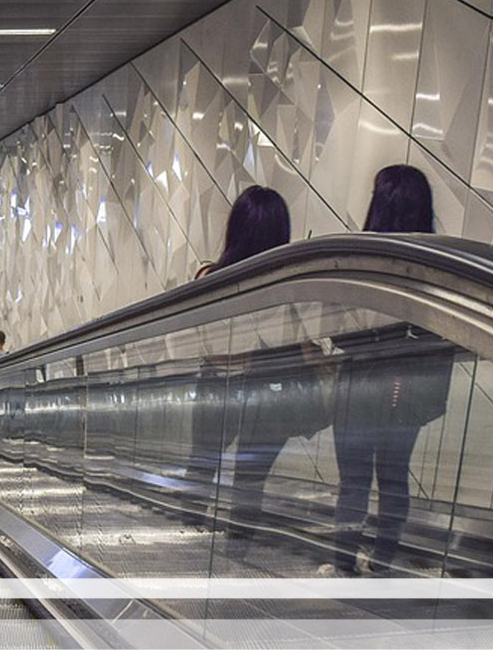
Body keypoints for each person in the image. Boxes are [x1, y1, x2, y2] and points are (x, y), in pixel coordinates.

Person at [320, 164, 453, 577]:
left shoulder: (358, 258)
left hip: (359, 384)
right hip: (405, 387)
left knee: (354, 481)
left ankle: (343, 564)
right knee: (394, 479)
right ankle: (381, 564)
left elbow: (335, 329)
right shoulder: (438, 264)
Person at [187, 186, 294, 510]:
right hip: (265, 391)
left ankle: (190, 528)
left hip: (215, 382)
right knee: (251, 475)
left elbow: (204, 341)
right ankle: (239, 538)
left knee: (203, 461)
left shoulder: (209, 277)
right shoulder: (284, 286)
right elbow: (281, 339)